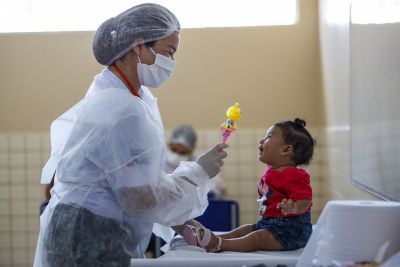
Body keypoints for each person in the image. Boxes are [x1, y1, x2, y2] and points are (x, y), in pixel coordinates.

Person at [33, 3, 228, 266]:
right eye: (168, 52)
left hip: (84, 229)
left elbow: (131, 180)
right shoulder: (122, 108)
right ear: (139, 46)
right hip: (88, 235)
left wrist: (180, 221)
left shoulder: (126, 97)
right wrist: (197, 174)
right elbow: (140, 198)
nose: (171, 63)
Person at [183, 118, 315, 252]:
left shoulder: (294, 175)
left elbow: (306, 200)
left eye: (268, 137)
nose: (261, 141)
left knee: (257, 238)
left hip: (292, 231)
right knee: (246, 229)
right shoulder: (272, 171)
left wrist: (295, 207)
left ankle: (219, 244)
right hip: (270, 223)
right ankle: (216, 237)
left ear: (286, 150)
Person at [165, 124, 226, 197]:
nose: (177, 155)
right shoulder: (159, 162)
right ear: (169, 145)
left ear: (191, 151)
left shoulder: (198, 164)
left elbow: (218, 186)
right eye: (174, 150)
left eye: (183, 152)